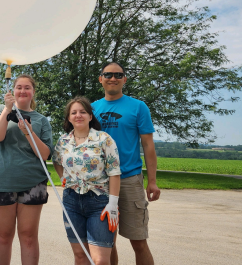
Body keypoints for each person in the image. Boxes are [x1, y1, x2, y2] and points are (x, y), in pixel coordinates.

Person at [91, 62, 161, 265]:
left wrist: (153, 181)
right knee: (106, 243)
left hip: (129, 178)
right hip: (100, 182)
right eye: (108, 74)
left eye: (118, 75)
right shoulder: (92, 108)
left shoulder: (138, 107)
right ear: (101, 79)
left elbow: (148, 145)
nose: (113, 78)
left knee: (138, 241)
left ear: (124, 79)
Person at [0, 74, 54, 265]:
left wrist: (29, 132)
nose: (23, 91)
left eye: (27, 88)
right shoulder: (0, 110)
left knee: (29, 236)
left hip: (32, 182)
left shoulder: (42, 120)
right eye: (19, 87)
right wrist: (8, 110)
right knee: (4, 235)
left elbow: (45, 154)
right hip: (1, 180)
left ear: (33, 92)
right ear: (13, 91)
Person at [53, 96, 121, 265]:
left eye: (83, 112)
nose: (78, 115)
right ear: (69, 118)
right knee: (81, 256)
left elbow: (114, 172)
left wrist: (113, 204)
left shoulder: (104, 139)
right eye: (74, 112)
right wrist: (63, 177)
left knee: (100, 260)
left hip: (99, 202)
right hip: (71, 201)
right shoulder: (63, 141)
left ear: (90, 116)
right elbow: (56, 160)